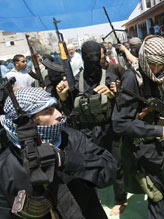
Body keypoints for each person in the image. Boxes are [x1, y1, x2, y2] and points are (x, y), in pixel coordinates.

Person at [0, 87, 117, 218]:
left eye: (55, 107)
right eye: (48, 111)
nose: (59, 114)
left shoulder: (71, 138)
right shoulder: (5, 167)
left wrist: (66, 159)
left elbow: (109, 171)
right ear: (27, 124)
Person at [112, 35, 164, 219]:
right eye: (152, 64)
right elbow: (120, 123)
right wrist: (161, 131)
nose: (156, 69)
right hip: (142, 148)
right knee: (157, 193)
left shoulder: (156, 76)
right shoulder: (132, 78)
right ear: (143, 58)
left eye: (160, 65)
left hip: (157, 146)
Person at [57, 41, 128, 216]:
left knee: (116, 164)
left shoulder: (110, 77)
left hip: (109, 129)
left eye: (96, 56)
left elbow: (124, 106)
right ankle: (94, 196)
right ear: (83, 57)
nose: (93, 60)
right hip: (84, 131)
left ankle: (120, 199)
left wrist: (113, 95)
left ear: (101, 55)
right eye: (89, 57)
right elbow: (68, 108)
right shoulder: (75, 80)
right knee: (86, 166)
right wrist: (62, 95)